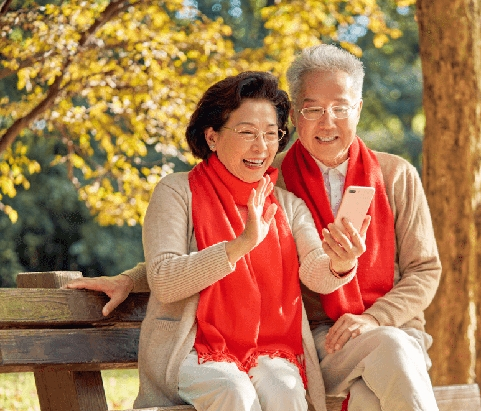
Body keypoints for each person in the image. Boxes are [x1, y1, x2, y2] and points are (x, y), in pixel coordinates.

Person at [68, 45, 441, 411]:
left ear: (357, 109)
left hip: (379, 333)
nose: (328, 122)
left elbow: (423, 270)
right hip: (316, 339)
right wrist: (133, 278)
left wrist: (356, 289)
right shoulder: (270, 174)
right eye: (313, 110)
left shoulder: (394, 176)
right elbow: (192, 244)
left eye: (340, 108)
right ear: (296, 114)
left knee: (380, 374)